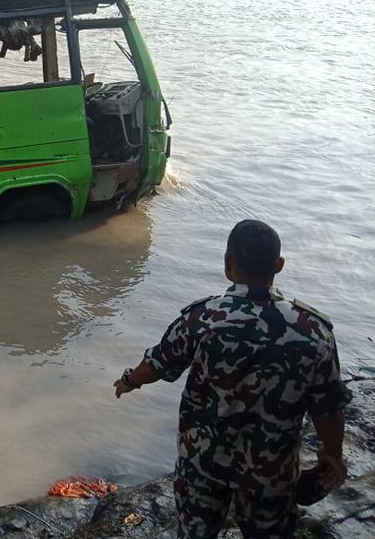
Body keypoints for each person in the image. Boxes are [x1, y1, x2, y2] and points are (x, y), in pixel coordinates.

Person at [114, 220, 352, 539]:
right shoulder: (313, 331)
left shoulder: (201, 319)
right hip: (271, 470)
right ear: (278, 266)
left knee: (196, 533)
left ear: (228, 264)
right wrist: (332, 455)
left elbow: (157, 364)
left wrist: (130, 380)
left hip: (203, 464)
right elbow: (329, 408)